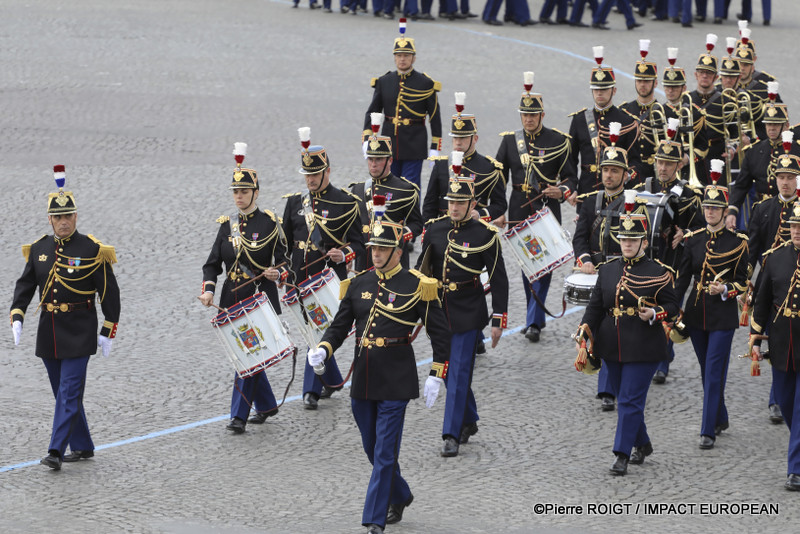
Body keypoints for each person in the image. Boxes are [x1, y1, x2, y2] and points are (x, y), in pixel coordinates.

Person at [307, 218, 450, 534]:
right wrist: (324, 348)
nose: (375, 254)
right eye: (373, 248)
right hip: (364, 378)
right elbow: (340, 326)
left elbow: (441, 334)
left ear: (398, 252)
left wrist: (436, 374)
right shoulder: (359, 283)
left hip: (397, 380)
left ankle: (374, 520)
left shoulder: (417, 285)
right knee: (371, 447)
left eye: (383, 249)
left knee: (385, 451)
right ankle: (400, 493)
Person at [10, 165, 120, 470]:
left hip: (80, 330)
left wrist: (108, 328)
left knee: (69, 391)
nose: (63, 222)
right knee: (64, 393)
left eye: (68, 216)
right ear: (49, 219)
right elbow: (26, 284)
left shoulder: (93, 249)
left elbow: (109, 292)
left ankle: (56, 450)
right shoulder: (39, 249)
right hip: (49, 331)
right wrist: (17, 315)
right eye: (57, 217)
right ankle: (83, 445)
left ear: (76, 217)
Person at [575, 200, 679, 476]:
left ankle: (621, 453)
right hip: (612, 345)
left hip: (645, 346)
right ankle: (642, 443)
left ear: (644, 242)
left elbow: (673, 307)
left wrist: (655, 313)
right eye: (623, 239)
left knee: (631, 401)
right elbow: (596, 306)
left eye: (633, 240)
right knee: (625, 400)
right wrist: (585, 328)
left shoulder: (659, 272)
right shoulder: (608, 269)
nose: (628, 244)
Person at [416, 173, 509, 457]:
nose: (454, 207)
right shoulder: (434, 229)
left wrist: (498, 318)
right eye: (451, 202)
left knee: (455, 372)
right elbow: (424, 270)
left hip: (468, 312)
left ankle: (451, 434)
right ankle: (468, 419)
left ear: (473, 203)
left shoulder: (485, 235)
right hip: (440, 311)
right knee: (454, 373)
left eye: (460, 202)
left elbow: (499, 279)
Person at [200, 147, 292, 434]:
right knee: (250, 353)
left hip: (260, 298)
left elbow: (287, 262)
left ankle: (237, 416)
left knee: (248, 355)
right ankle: (265, 404)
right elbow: (212, 264)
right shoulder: (227, 225)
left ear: (256, 192)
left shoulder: (271, 223)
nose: (238, 196)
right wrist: (208, 291)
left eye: (244, 191)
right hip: (232, 297)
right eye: (235, 191)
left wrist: (278, 273)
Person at [282, 139, 365, 410]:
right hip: (299, 276)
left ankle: (311, 390)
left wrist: (345, 254)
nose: (310, 180)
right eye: (307, 175)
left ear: (327, 171)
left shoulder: (345, 202)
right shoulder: (294, 203)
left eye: (315, 174)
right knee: (311, 332)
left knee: (319, 332)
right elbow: (284, 244)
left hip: (327, 279)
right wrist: (284, 272)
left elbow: (359, 243)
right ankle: (329, 380)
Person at [496, 77, 576, 342]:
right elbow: (499, 179)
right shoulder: (509, 142)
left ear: (542, 114)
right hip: (519, 206)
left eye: (532, 115)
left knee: (546, 261)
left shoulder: (559, 141)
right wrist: (497, 209)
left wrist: (561, 191)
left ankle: (533, 320)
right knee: (528, 262)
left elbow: (570, 177)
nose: (528, 120)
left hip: (546, 206)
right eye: (524, 115)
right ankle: (536, 317)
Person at [676, 161, 749, 450]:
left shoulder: (738, 242)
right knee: (707, 370)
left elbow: (743, 281)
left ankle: (707, 430)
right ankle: (720, 416)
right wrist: (672, 309)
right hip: (695, 313)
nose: (710, 212)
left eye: (715, 209)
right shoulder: (693, 240)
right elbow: (682, 279)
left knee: (714, 369)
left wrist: (727, 289)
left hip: (723, 316)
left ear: (724, 211)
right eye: (707, 208)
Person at [634, 139, 704, 383]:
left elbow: (700, 228)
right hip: (647, 258)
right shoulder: (645, 188)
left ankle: (663, 360)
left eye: (668, 164)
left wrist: (685, 233)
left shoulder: (689, 195)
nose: (662, 168)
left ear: (678, 166)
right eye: (659, 162)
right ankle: (644, 354)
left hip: (675, 261)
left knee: (666, 308)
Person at [573, 145, 634, 412]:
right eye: (606, 170)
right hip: (597, 272)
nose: (609, 176)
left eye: (615, 171)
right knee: (598, 327)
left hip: (623, 272)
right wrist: (585, 259)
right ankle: (607, 385)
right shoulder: (589, 202)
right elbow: (580, 237)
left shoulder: (634, 203)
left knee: (617, 327)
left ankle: (610, 387)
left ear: (625, 174)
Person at [750, 176, 800, 491]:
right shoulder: (776, 258)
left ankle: (795, 470)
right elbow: (762, 301)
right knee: (784, 401)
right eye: (794, 227)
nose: (797, 232)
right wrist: (756, 336)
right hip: (782, 344)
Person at [363, 23, 442, 191]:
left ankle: (411, 218)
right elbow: (373, 111)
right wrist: (367, 138)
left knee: (410, 186)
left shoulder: (425, 83)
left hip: (415, 142)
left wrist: (435, 147)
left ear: (413, 58)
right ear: (394, 57)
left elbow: (435, 116)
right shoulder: (384, 81)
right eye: (399, 55)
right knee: (389, 185)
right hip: (390, 141)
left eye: (406, 55)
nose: (402, 59)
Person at [423, 95, 507, 224]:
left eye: (463, 138)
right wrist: (428, 231)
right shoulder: (441, 165)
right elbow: (430, 203)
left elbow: (500, 204)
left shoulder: (489, 168)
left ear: (475, 139)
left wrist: (480, 214)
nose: (458, 142)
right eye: (455, 138)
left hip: (474, 229)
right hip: (444, 228)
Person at [569, 51, 639, 197]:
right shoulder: (579, 120)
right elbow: (571, 159)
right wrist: (572, 188)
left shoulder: (627, 121)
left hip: (617, 189)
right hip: (587, 188)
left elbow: (635, 160)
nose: (599, 93)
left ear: (614, 90)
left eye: (604, 89)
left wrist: (625, 180)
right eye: (596, 89)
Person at [351, 133, 423, 270]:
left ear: (390, 161)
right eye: (370, 159)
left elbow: (417, 224)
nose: (373, 164)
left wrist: (399, 234)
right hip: (365, 261)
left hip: (394, 260)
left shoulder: (405, 189)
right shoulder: (357, 190)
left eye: (378, 159)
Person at [727, 103, 795, 228]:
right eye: (769, 124)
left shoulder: (796, 150)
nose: (771, 128)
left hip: (792, 213)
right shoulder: (755, 151)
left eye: (776, 124)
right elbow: (742, 185)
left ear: (786, 126)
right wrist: (732, 211)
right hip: (762, 213)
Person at [661, 48, 710, 186]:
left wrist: (686, 159)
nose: (671, 90)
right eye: (668, 86)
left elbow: (703, 147)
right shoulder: (659, 112)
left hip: (690, 170)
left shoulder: (695, 113)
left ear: (684, 88)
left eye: (675, 87)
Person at [621, 41, 662, 182]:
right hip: (630, 174)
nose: (642, 85)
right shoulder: (624, 111)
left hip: (654, 172)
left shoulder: (663, 112)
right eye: (639, 81)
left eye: (646, 81)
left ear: (655, 83)